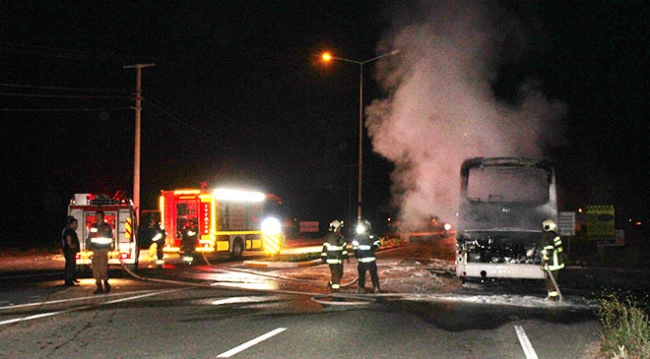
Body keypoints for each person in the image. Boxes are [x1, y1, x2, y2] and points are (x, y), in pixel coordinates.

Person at [87, 210, 113, 294]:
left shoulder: (106, 227)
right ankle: (99, 286)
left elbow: (109, 237)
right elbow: (90, 237)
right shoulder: (93, 226)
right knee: (95, 269)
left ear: (102, 217)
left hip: (103, 250)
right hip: (95, 250)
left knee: (103, 269)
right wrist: (88, 247)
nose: (96, 218)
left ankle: (106, 284)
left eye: (98, 216)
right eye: (96, 216)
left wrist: (109, 249)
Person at [352, 220, 381, 294]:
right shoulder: (358, 236)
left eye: (366, 226)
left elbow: (378, 243)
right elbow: (355, 245)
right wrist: (356, 252)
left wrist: (374, 247)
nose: (365, 227)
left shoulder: (372, 235)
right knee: (361, 276)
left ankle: (376, 288)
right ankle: (361, 288)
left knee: (374, 275)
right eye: (363, 226)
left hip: (371, 260)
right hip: (361, 260)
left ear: (368, 227)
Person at [541, 219, 565, 301]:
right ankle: (553, 295)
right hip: (557, 261)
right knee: (553, 279)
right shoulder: (555, 236)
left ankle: (552, 297)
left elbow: (549, 250)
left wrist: (545, 260)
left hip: (552, 262)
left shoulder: (548, 236)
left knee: (550, 280)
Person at [321, 220, 347, 293]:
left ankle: (331, 284)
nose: (340, 229)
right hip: (332, 260)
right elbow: (325, 248)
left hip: (339, 260)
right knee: (336, 275)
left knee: (340, 274)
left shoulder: (341, 237)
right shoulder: (329, 237)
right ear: (335, 228)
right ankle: (336, 292)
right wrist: (323, 257)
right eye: (338, 228)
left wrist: (345, 255)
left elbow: (343, 247)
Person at [61, 216, 80, 287]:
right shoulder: (68, 231)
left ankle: (71, 279)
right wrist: (72, 246)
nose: (76, 226)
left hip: (70, 251)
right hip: (69, 251)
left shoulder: (68, 230)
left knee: (71, 265)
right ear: (71, 224)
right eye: (75, 224)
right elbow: (68, 239)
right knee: (70, 265)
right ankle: (68, 280)